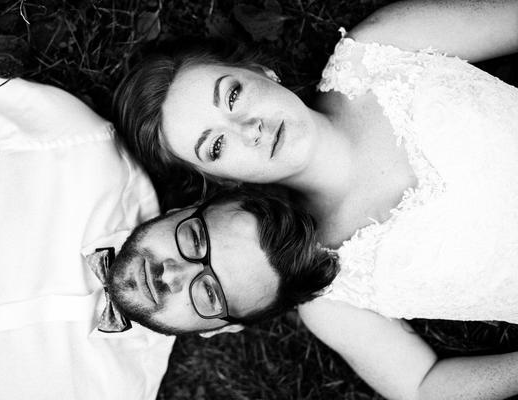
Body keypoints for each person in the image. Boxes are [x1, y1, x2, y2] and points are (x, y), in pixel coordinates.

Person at [113, 0, 518, 398]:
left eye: (232, 96)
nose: (249, 129)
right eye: (216, 146)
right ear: (220, 179)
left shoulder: (381, 47)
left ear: (262, 72)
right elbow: (423, 386)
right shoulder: (330, 297)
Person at [0, 27, 174, 399]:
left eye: (210, 292)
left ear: (220, 328)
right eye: (197, 239)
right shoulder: (87, 153)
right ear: (188, 210)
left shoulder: (120, 391)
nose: (174, 273)